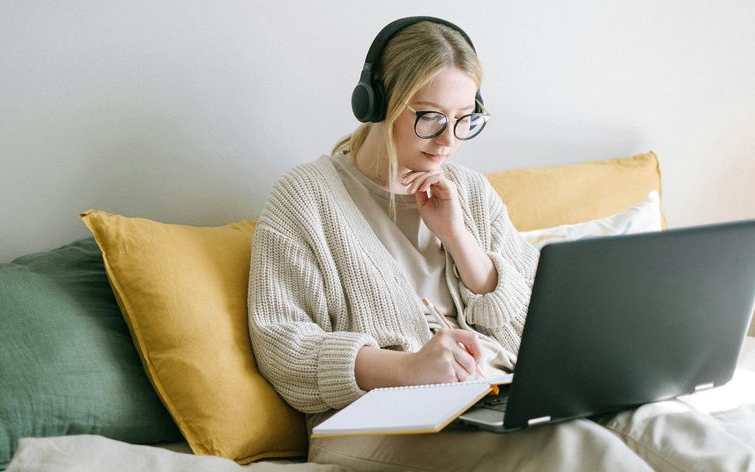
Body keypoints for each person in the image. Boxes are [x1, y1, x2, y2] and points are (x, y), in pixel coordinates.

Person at [247, 16, 755, 471]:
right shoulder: (305, 199)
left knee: (675, 430)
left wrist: (460, 240)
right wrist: (405, 368)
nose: (448, 140)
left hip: (496, 395)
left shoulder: (468, 191)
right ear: (378, 104)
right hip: (372, 422)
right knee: (580, 449)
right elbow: (282, 345)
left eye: (465, 118)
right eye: (429, 116)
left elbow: (537, 322)